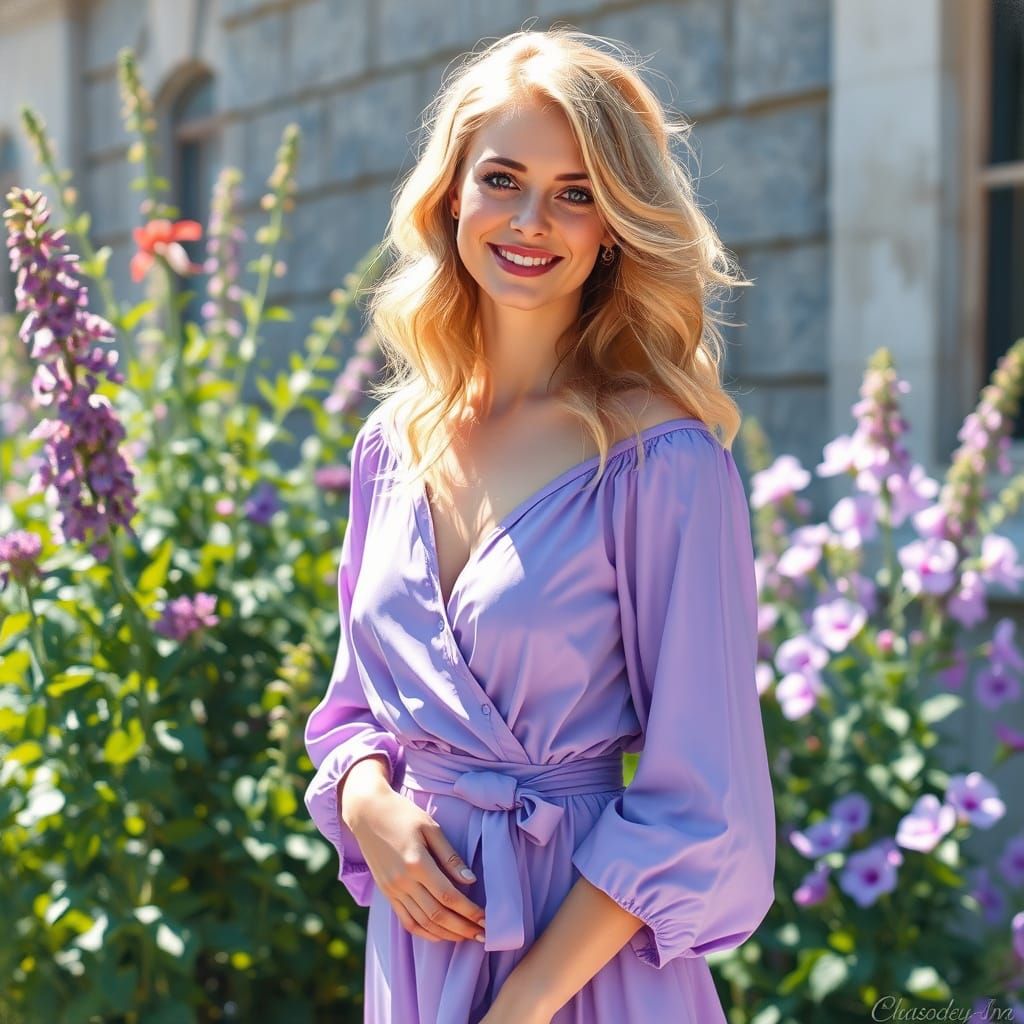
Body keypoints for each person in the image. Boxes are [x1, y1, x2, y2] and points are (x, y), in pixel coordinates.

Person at [303, 27, 776, 1024]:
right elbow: (354, 708)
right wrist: (366, 800)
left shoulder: (662, 460)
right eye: (502, 179)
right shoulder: (391, 445)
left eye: (575, 192)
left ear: (614, 224)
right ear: (451, 195)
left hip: (584, 968)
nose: (531, 221)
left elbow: (703, 795)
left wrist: (520, 1007)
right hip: (418, 952)